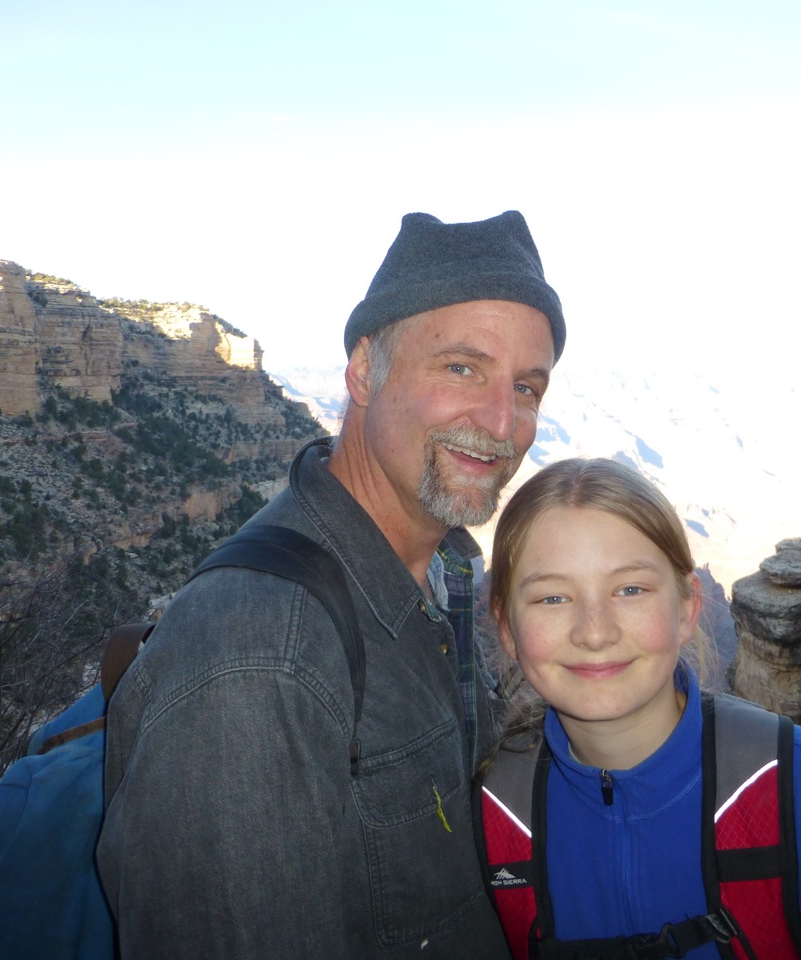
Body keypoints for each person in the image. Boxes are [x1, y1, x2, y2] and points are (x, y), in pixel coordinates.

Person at [97, 210, 565, 958]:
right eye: (461, 368)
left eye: (528, 387)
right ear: (362, 370)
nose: (503, 419)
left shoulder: (447, 571)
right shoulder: (258, 658)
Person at [477, 458, 801, 960]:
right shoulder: (492, 814)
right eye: (553, 597)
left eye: (630, 590)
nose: (595, 631)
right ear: (506, 628)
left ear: (688, 608)